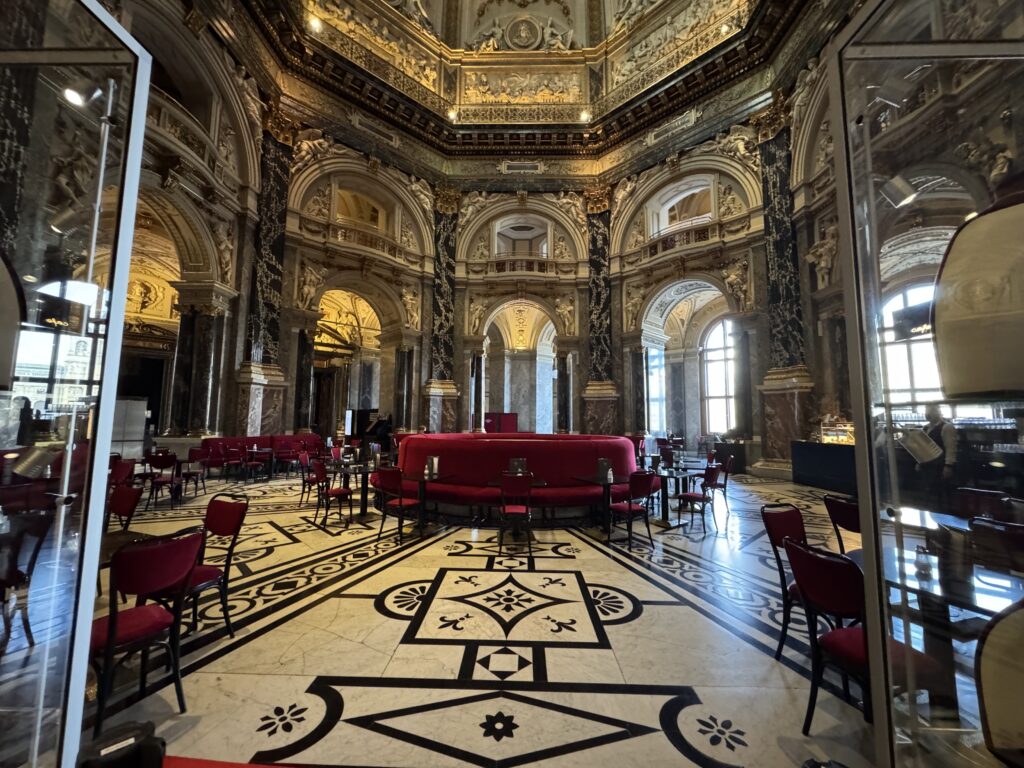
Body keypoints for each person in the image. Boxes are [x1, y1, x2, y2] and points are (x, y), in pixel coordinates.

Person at [916, 403, 957, 512]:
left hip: (940, 466)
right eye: (926, 412)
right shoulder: (925, 428)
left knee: (942, 492)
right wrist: (919, 462)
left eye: (930, 412)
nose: (927, 414)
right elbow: (923, 448)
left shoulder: (947, 427)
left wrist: (948, 466)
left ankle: (945, 513)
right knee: (929, 491)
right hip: (928, 466)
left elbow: (950, 448)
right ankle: (931, 512)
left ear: (938, 412)